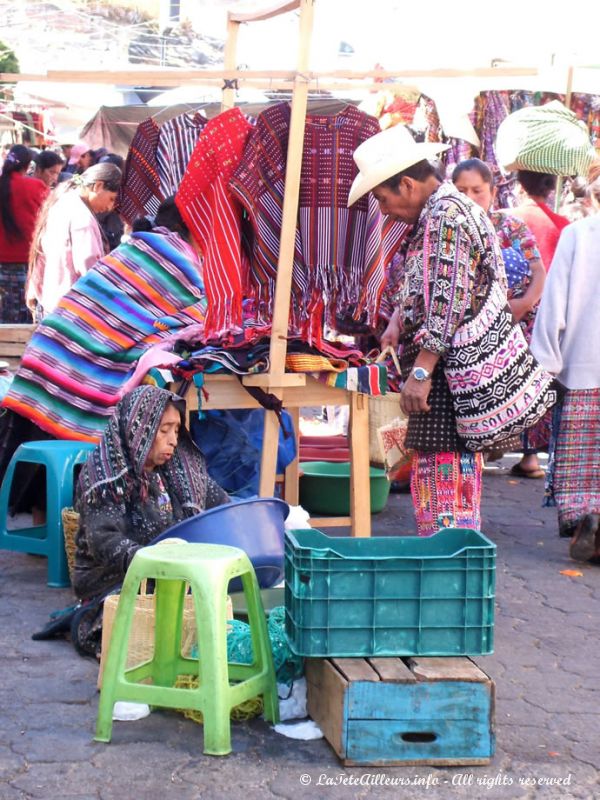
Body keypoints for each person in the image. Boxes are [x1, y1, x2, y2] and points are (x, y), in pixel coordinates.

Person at [348, 124, 506, 536]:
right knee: (449, 486)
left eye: (383, 199)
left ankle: (446, 570)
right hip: (451, 378)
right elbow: (437, 285)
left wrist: (421, 371)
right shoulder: (443, 212)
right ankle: (452, 566)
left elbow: (449, 298)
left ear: (406, 184)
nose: (383, 210)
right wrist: (400, 319)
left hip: (447, 382)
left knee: (443, 489)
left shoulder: (445, 216)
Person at [73, 386, 230, 603]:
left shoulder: (178, 471)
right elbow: (103, 540)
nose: (174, 440)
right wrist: (155, 562)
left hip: (171, 575)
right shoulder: (105, 478)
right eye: (165, 430)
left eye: (176, 430)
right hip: (115, 584)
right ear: (139, 431)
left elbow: (223, 507)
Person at [452, 158, 547, 475]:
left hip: (516, 320)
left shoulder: (511, 227)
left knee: (520, 385)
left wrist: (524, 304)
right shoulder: (451, 230)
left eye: (477, 190)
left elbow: (538, 271)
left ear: (492, 191)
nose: (469, 196)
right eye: (461, 190)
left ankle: (529, 455)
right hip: (471, 326)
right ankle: (477, 450)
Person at [530, 162, 600, 561]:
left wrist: (546, 362)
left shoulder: (578, 235)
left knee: (584, 457)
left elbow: (554, 301)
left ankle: (589, 517)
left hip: (581, 366)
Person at [26, 161, 121, 319]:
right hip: (70, 310)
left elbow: (40, 253)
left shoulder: (62, 202)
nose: (110, 207)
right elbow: (89, 266)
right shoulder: (82, 218)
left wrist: (33, 289)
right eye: (111, 199)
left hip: (51, 303)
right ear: (98, 186)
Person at [0, 144, 48, 322]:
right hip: (28, 259)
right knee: (25, 311)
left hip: (2, 261)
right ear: (28, 166)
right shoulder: (35, 186)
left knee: (4, 311)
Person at [511, 170, 569, 271]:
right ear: (551, 185)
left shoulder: (505, 218)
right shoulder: (563, 225)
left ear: (522, 184)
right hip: (549, 285)